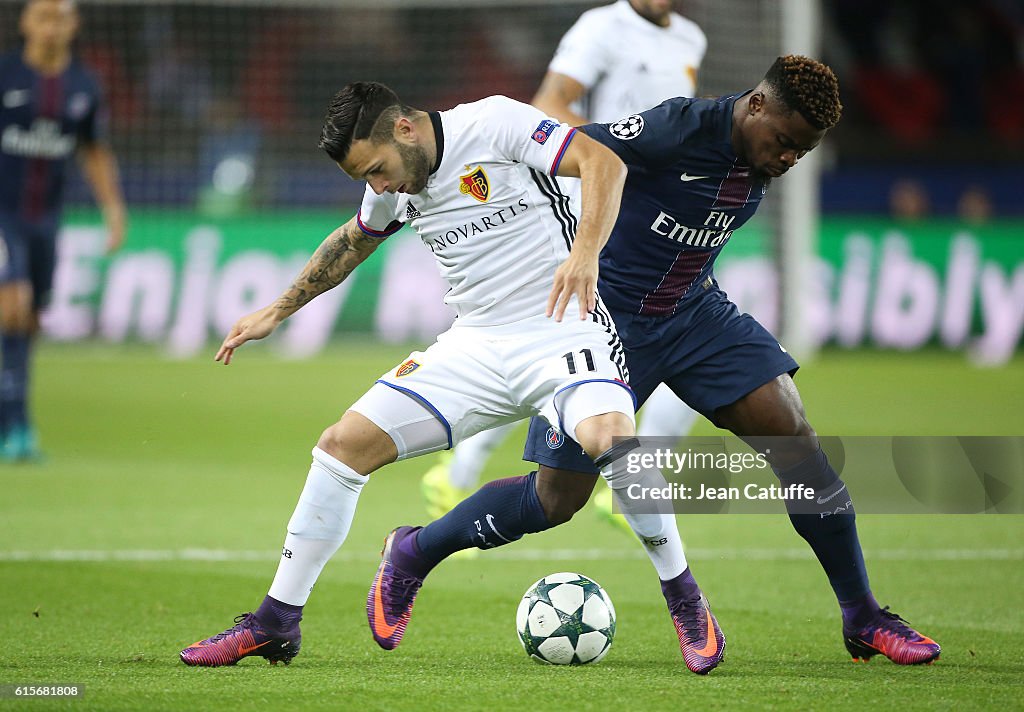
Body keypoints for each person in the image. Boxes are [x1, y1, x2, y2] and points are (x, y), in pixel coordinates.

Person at [388, 56, 941, 668]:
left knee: (796, 441)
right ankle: (415, 550)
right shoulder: (676, 129)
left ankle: (863, 616)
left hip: (694, 312)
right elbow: (571, 156)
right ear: (755, 106)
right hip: (604, 323)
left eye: (800, 153)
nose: (786, 160)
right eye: (783, 143)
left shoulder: (758, 151)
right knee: (556, 499)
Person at [181, 82, 713, 672]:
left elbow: (602, 160)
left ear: (405, 129)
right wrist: (276, 310)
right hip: (474, 345)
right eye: (367, 178)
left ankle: (684, 598)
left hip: (564, 329)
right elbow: (356, 238)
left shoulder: (494, 123)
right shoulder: (390, 182)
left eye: (378, 169)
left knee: (615, 443)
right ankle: (276, 620)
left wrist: (585, 252)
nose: (379, 186)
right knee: (340, 447)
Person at [422, 0, 707, 528]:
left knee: (692, 330)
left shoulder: (691, 38)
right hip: (592, 210)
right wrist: (628, 152)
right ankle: (459, 472)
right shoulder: (602, 27)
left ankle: (630, 488)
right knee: (549, 346)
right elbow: (550, 104)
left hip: (651, 210)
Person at [0, 0, 126, 460]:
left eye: (61, 18)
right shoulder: (6, 74)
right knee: (10, 306)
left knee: (30, 319)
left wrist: (113, 209)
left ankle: (12, 416)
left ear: (74, 26)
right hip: (2, 215)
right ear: (25, 23)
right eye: (43, 17)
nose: (52, 27)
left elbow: (93, 150)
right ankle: (16, 426)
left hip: (45, 221)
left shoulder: (82, 85)